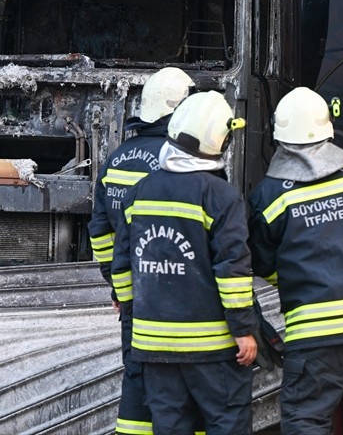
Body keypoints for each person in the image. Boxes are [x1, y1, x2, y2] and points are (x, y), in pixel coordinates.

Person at [247, 87, 343, 435]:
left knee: (306, 418)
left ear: (279, 137)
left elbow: (263, 265)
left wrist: (302, 278)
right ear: (328, 127)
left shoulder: (269, 195)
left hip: (315, 329)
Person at [111, 90, 259, 435]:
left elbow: (121, 264)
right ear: (220, 142)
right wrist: (244, 330)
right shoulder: (221, 196)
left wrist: (133, 317)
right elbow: (232, 269)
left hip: (153, 348)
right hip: (213, 348)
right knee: (227, 423)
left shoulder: (139, 191)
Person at [87, 66, 195, 435]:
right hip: (176, 292)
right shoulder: (178, 159)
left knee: (136, 377)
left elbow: (101, 233)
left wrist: (116, 286)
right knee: (183, 383)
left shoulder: (115, 159)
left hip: (133, 293)